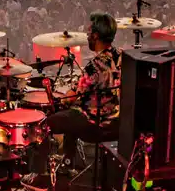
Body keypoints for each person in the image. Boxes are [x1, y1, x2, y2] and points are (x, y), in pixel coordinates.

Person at [44, 12, 121, 167]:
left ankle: (41, 173)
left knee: (47, 121)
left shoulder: (95, 65)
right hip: (117, 120)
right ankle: (68, 161)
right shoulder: (121, 56)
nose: (87, 36)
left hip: (96, 124)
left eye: (89, 32)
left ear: (96, 36)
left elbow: (70, 98)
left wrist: (58, 98)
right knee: (72, 113)